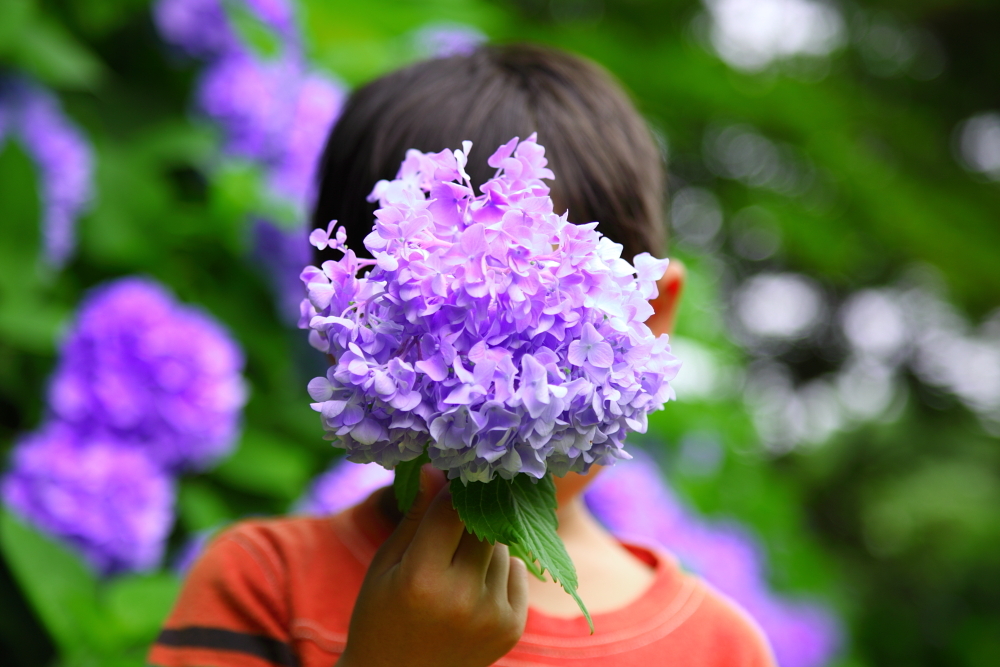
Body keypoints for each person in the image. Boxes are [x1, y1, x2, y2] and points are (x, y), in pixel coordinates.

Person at [148, 44, 775, 667]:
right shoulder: (263, 582)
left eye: (549, 351)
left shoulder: (721, 650)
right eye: (419, 333)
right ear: (341, 323)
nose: (478, 404)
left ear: (651, 319)